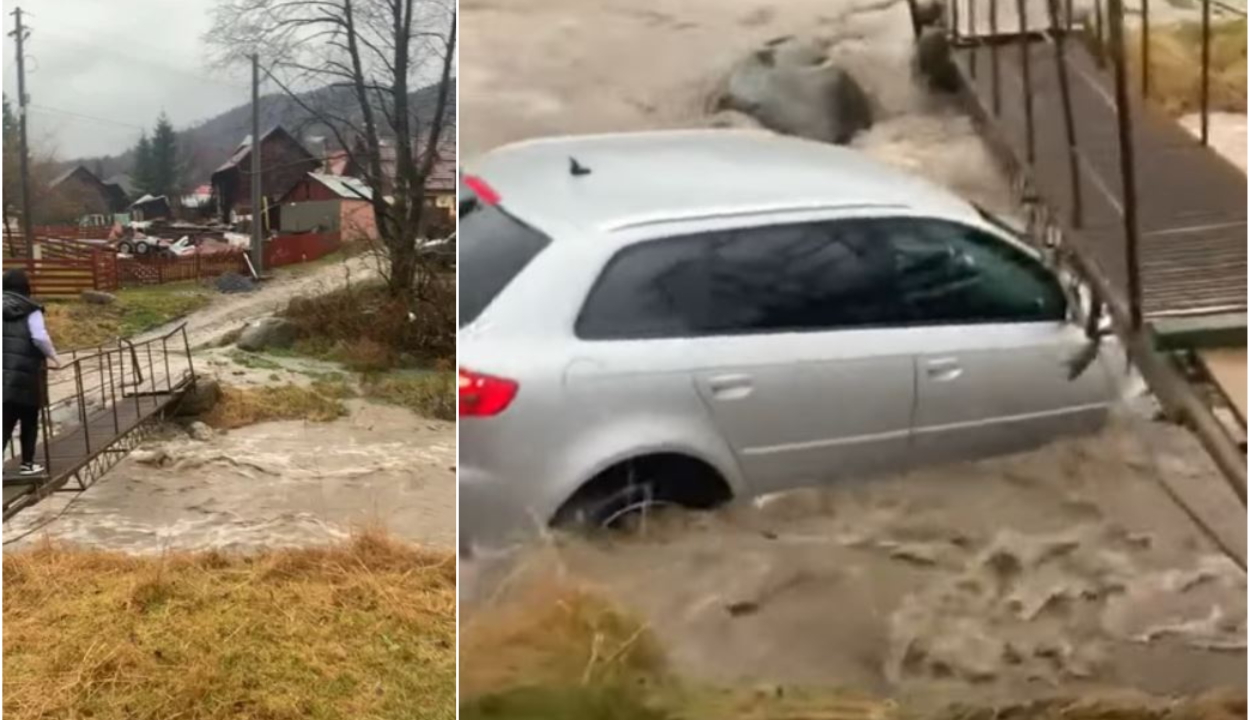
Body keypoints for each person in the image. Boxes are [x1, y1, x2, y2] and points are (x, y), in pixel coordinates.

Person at [3, 269, 62, 476]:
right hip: (27, 371)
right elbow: (39, 337)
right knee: (28, 417)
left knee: (5, 418)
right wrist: (55, 357)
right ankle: (27, 464)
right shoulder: (32, 308)